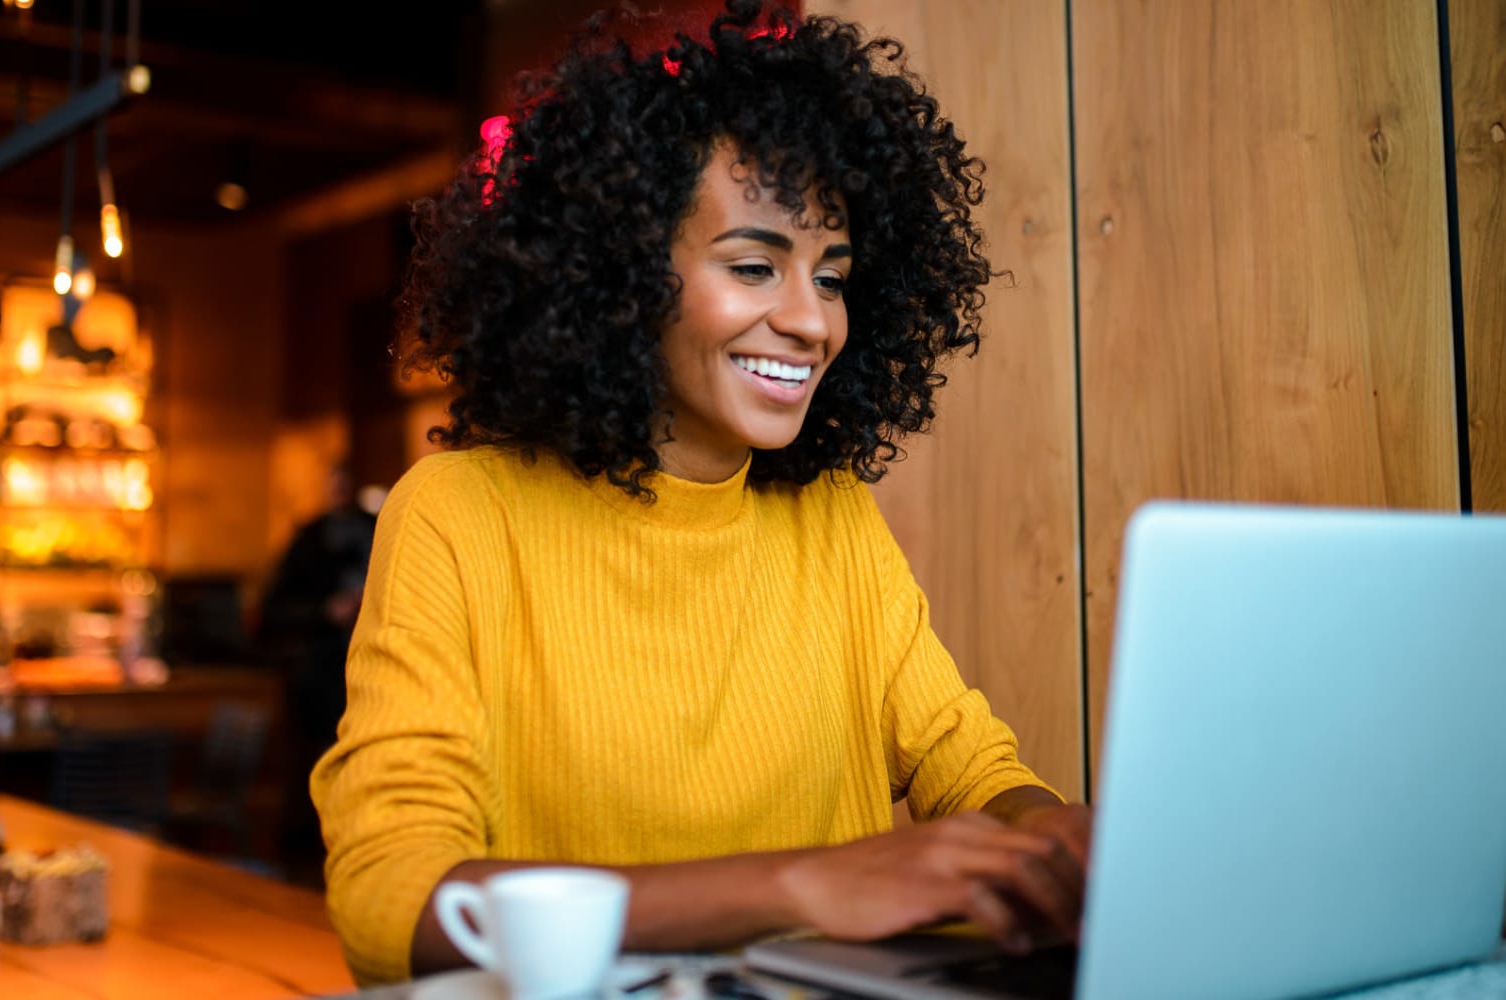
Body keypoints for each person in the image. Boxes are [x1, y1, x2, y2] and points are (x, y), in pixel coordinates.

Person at [312, 0, 1092, 985]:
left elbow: (969, 768)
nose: (811, 322)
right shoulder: (460, 514)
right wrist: (800, 885)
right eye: (755, 265)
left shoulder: (830, 512)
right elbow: (390, 899)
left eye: (833, 277)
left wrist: (1058, 840)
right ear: (625, 275)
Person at [262, 462, 376, 860]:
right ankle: (317, 847)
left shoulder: (379, 527)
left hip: (374, 672)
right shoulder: (308, 539)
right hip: (321, 675)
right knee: (317, 761)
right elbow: (273, 610)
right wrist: (326, 612)